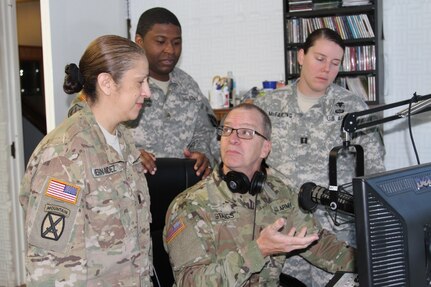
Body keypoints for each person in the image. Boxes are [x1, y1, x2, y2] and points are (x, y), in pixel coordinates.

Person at [163, 103, 355, 286]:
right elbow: (190, 282)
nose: (233, 139)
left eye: (246, 132)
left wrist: (372, 263)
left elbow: (319, 245)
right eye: (227, 130)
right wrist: (259, 250)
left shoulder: (279, 193)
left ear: (265, 148)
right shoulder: (190, 205)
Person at [254, 28, 385, 286]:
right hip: (285, 235)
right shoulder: (268, 107)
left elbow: (374, 172)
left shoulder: (353, 110)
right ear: (301, 56)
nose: (327, 68)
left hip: (338, 236)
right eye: (320, 58)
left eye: (335, 63)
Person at [19, 35, 153, 286]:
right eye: (140, 82)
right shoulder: (65, 154)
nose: (147, 92)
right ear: (107, 83)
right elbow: (49, 267)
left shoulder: (123, 141)